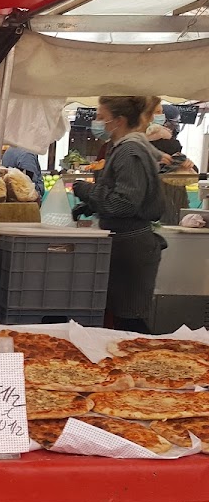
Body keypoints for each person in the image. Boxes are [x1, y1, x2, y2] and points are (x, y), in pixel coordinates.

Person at [72, 96, 165, 333]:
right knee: (121, 322)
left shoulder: (130, 151)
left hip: (131, 249)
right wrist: (93, 206)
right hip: (124, 245)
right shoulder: (123, 149)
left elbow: (125, 204)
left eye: (101, 117)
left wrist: (88, 193)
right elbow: (121, 193)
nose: (97, 122)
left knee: (130, 322)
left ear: (119, 120)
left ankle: (147, 367)